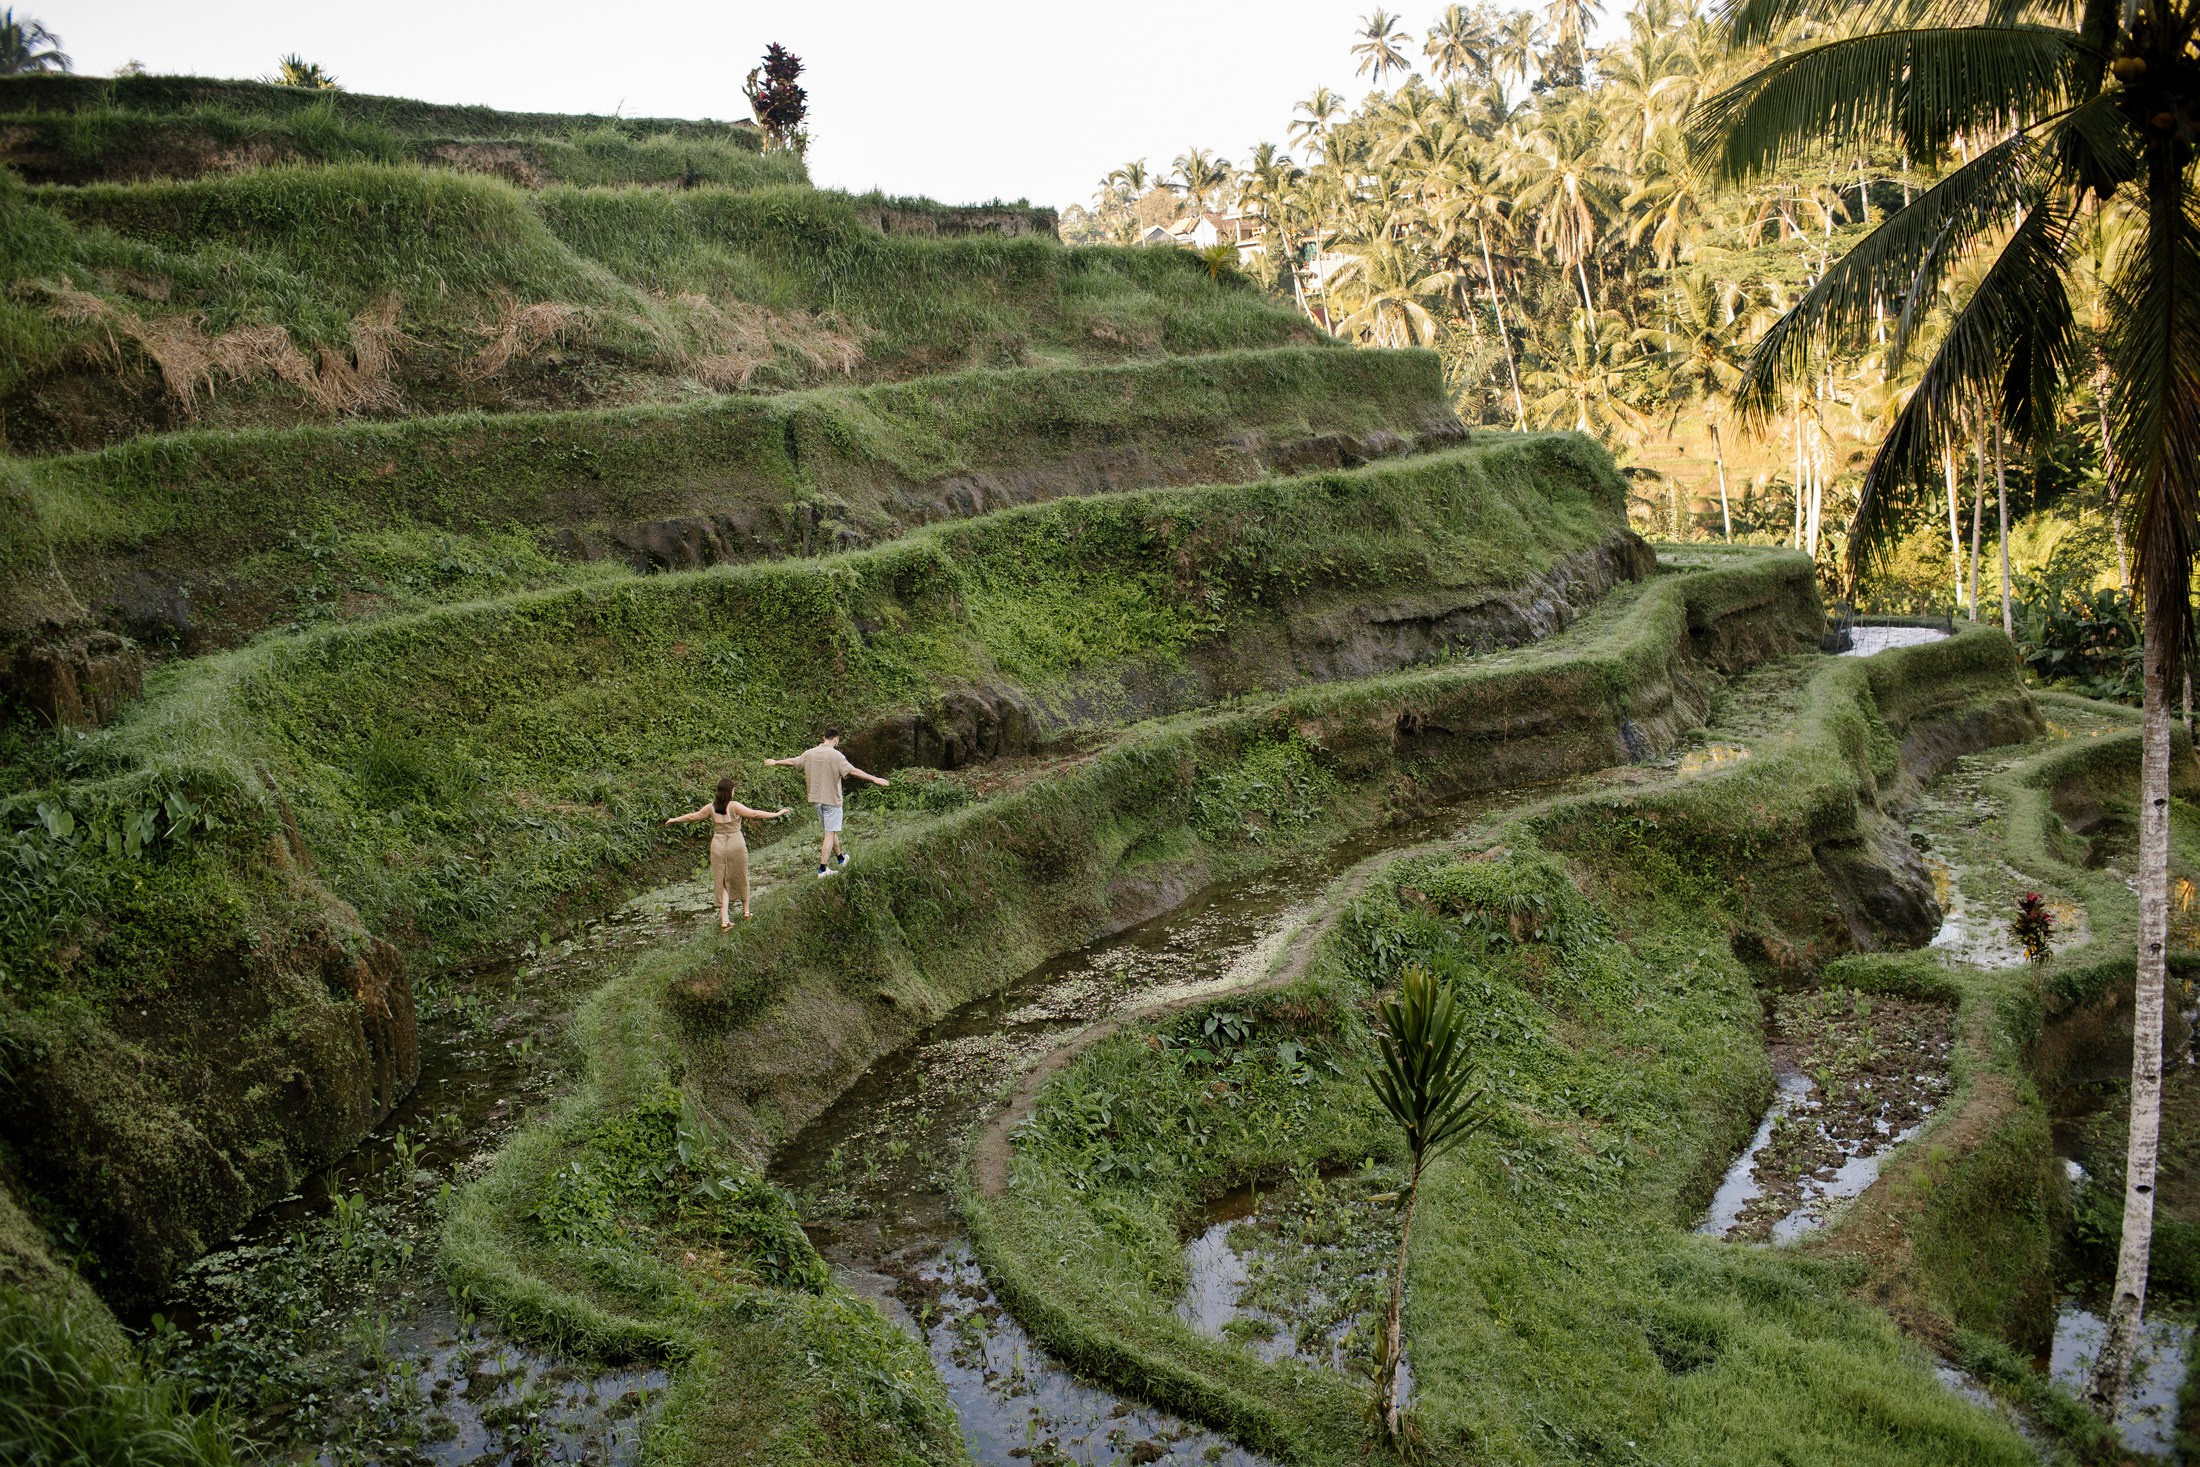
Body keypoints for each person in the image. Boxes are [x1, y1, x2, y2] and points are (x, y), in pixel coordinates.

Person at [665, 777, 789, 929]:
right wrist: (776, 814)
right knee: (741, 876)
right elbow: (755, 814)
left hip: (717, 845)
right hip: (735, 844)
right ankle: (746, 912)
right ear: (730, 792)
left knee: (721, 880)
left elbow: (692, 816)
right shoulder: (734, 806)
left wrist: (673, 819)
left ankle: (725, 920)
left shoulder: (711, 807)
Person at [765, 727, 889, 877]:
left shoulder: (809, 753)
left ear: (823, 738)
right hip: (832, 801)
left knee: (830, 830)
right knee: (829, 834)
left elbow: (793, 761)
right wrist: (874, 778)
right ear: (836, 740)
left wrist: (775, 762)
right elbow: (853, 771)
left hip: (816, 800)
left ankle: (841, 859)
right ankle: (823, 869)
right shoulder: (837, 756)